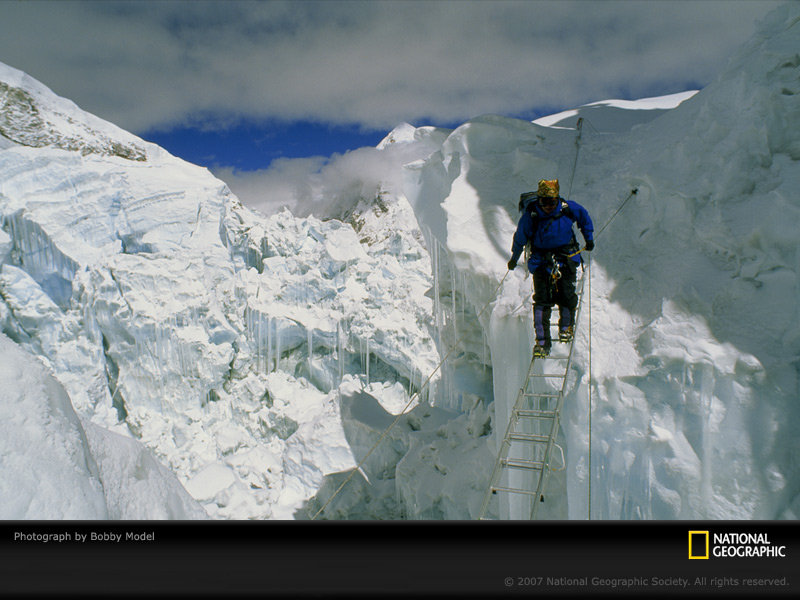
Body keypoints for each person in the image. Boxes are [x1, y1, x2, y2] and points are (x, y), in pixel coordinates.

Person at [507, 179, 594, 358]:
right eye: (544, 202)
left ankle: (565, 328)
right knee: (542, 302)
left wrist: (589, 238)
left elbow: (584, 218)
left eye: (551, 202)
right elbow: (520, 239)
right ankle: (542, 342)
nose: (548, 206)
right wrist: (514, 259)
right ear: (538, 200)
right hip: (541, 262)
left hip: (566, 258)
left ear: (557, 199)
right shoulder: (531, 216)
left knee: (567, 295)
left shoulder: (568, 208)